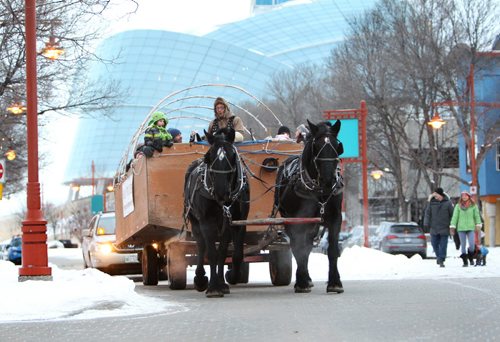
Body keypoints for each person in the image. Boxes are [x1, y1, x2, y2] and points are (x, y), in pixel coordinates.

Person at [449, 191, 483, 267]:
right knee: (463, 245)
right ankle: (465, 262)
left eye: (465, 196)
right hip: (461, 228)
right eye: (462, 196)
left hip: (471, 227)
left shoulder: (473, 206)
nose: (464, 197)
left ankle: (470, 257)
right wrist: (452, 226)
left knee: (472, 245)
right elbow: (455, 217)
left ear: (468, 196)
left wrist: (478, 224)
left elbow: (477, 216)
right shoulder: (458, 206)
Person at [423, 187, 454, 267]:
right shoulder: (431, 203)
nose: (435, 196)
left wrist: (452, 225)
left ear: (440, 195)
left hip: (444, 227)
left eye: (436, 195)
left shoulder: (448, 203)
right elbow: (427, 213)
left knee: (443, 245)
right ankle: (439, 257)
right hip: (434, 227)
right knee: (434, 244)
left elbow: (452, 215)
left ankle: (441, 259)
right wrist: (426, 223)